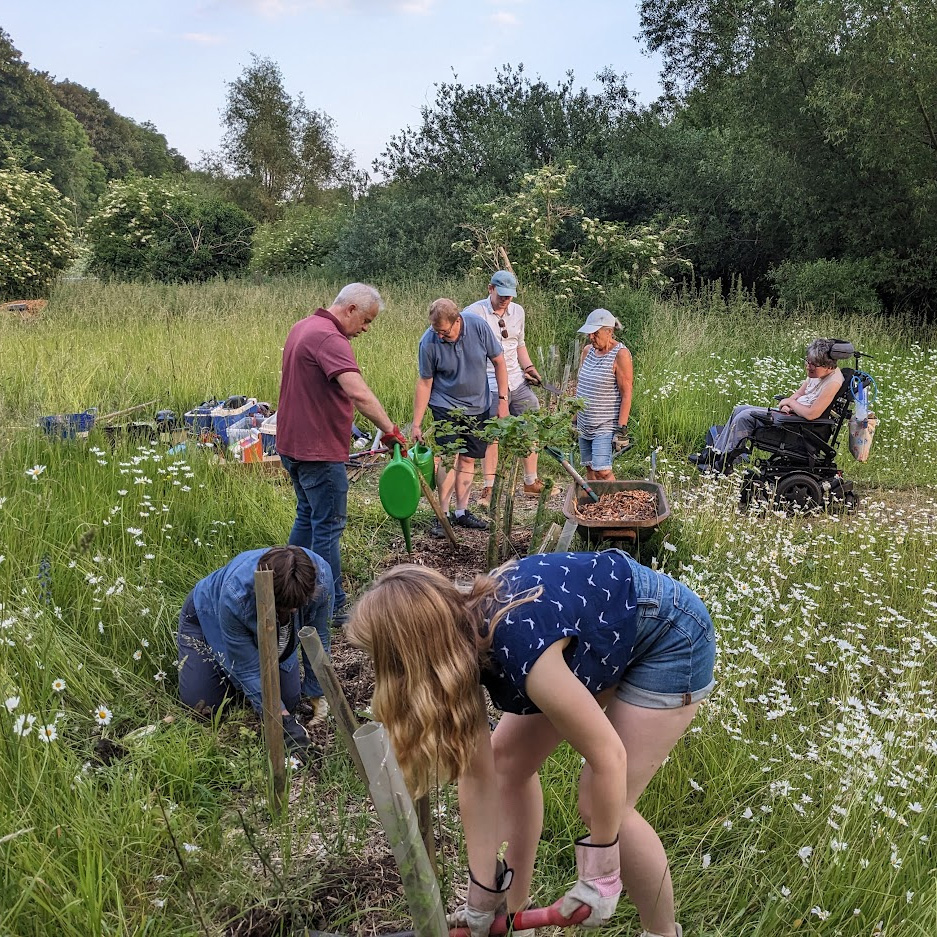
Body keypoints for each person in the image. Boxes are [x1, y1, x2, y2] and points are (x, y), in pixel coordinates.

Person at [348, 551, 714, 937]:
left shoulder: (521, 645)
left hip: (669, 633)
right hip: (601, 631)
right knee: (507, 763)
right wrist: (482, 893)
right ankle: (513, 914)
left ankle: (661, 933)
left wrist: (600, 874)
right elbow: (480, 775)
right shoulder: (457, 644)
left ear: (411, 657)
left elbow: (610, 756)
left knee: (604, 805)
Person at [276, 283, 408, 619]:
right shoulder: (329, 338)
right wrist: (391, 431)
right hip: (317, 451)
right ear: (350, 309)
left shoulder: (303, 326)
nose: (365, 329)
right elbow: (359, 394)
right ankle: (329, 604)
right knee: (328, 525)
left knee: (307, 515)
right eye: (366, 321)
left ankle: (290, 588)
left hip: (293, 445)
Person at [177, 546, 333, 759]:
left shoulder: (321, 577)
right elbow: (248, 669)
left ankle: (239, 682)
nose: (294, 612)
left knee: (289, 699)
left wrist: (318, 692)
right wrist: (284, 724)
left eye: (297, 607)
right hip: (207, 618)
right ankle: (221, 673)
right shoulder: (237, 595)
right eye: (286, 608)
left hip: (275, 629)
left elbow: (318, 637)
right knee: (203, 706)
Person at [412, 298, 510, 537]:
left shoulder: (478, 327)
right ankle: (443, 515)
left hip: (478, 405)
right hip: (446, 406)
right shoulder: (429, 341)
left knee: (468, 459)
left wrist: (503, 400)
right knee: (447, 457)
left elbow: (499, 362)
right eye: (437, 331)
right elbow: (425, 383)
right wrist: (416, 422)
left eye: (444, 331)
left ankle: (461, 512)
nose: (441, 336)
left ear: (458, 321)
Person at [689, 337, 845, 473]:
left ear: (828, 366)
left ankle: (722, 464)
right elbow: (799, 394)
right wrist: (789, 404)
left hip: (798, 427)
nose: (808, 367)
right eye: (808, 362)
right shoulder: (817, 374)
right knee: (741, 409)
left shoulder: (833, 382)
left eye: (813, 365)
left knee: (745, 417)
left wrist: (790, 403)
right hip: (791, 415)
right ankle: (715, 454)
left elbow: (812, 414)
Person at [464, 271, 545, 507]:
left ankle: (531, 481)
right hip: (487, 382)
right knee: (492, 432)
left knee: (532, 419)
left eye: (509, 296)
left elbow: (519, 344)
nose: (505, 300)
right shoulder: (473, 314)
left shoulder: (518, 312)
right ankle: (489, 488)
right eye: (501, 295)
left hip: (516, 380)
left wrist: (529, 367)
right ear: (490, 288)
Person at [575, 309, 634, 481]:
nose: (591, 337)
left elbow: (627, 393)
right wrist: (573, 419)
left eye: (595, 333)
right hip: (584, 422)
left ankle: (614, 504)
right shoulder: (588, 351)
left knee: (602, 470)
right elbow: (581, 386)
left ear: (610, 331)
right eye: (589, 334)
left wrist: (622, 429)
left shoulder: (620, 354)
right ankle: (594, 506)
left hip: (605, 424)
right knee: (590, 469)